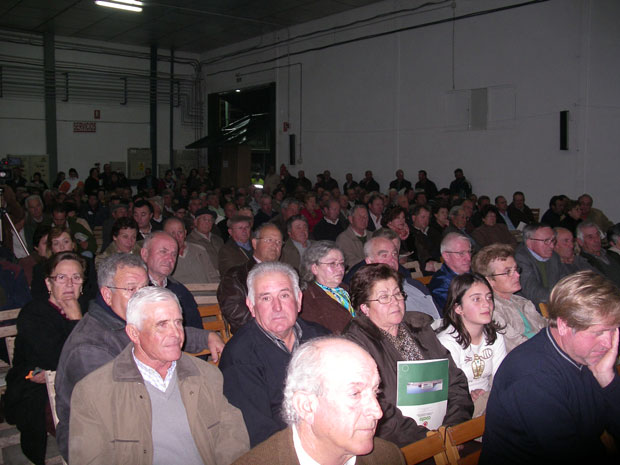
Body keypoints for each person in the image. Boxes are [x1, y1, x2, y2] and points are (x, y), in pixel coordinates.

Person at [54, 253, 223, 460]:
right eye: (131, 289)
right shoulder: (90, 347)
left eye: (145, 288)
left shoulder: (128, 320)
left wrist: (207, 337)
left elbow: (162, 335)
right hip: (106, 441)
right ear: (107, 295)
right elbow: (124, 416)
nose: (141, 297)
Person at [68, 286, 249, 465]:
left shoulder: (207, 376)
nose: (176, 334)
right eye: (162, 325)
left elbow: (232, 437)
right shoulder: (93, 392)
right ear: (134, 333)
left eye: (178, 322)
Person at [480, 271, 620, 465]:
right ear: (563, 325)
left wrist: (607, 379)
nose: (609, 342)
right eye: (599, 332)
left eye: (614, 329)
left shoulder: (588, 357)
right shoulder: (531, 376)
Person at [343, 264, 473, 447]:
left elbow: (456, 382)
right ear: (364, 307)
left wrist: (452, 429)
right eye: (384, 297)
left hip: (448, 434)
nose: (395, 302)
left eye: (397, 294)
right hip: (404, 445)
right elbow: (376, 410)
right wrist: (430, 441)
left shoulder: (421, 329)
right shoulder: (356, 346)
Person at [233, 337, 405, 465]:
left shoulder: (388, 457)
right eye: (355, 394)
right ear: (306, 406)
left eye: (375, 391)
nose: (377, 411)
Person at [219, 262, 330, 447]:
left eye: (284, 295)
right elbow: (259, 433)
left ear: (299, 300)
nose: (277, 307)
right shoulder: (239, 356)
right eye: (266, 298)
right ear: (251, 306)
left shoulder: (322, 339)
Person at [4, 252, 85, 465]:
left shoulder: (90, 311)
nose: (69, 284)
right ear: (48, 283)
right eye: (61, 277)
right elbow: (57, 359)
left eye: (76, 277)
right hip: (33, 386)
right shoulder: (34, 313)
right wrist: (75, 321)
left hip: (75, 385)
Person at [436, 273, 507, 417]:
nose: (487, 304)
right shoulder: (446, 343)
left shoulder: (495, 337)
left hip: (488, 400)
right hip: (459, 408)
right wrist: (468, 394)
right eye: (476, 299)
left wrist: (489, 394)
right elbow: (444, 392)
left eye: (488, 297)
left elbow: (502, 379)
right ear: (458, 308)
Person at [472, 244, 547, 352]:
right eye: (508, 272)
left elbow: (545, 326)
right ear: (489, 280)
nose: (517, 275)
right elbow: (517, 347)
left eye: (516, 269)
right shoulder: (490, 309)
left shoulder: (522, 301)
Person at [217, 223, 283, 333]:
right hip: (254, 335)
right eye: (269, 240)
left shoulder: (288, 275)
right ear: (255, 243)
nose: (274, 245)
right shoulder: (236, 276)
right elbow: (235, 313)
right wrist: (271, 326)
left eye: (279, 242)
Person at [300, 241, 353, 334]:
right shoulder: (307, 299)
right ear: (315, 268)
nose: (340, 269)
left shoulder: (347, 289)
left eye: (341, 263)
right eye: (332, 263)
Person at [514, 223, 569, 308]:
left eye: (553, 240)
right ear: (529, 242)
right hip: (531, 309)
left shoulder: (554, 256)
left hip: (554, 304)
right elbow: (534, 293)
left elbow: (565, 280)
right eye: (546, 241)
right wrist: (565, 296)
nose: (551, 246)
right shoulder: (519, 259)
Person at [164, 216, 219, 284]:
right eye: (172, 233)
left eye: (180, 232)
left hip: (206, 292)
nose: (176, 237)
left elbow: (213, 276)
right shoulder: (163, 256)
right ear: (165, 235)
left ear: (185, 233)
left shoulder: (199, 250)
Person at [429, 233, 472, 312]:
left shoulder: (474, 274)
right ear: (446, 256)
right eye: (461, 253)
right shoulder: (440, 285)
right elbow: (454, 314)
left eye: (469, 252)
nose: (468, 258)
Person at [577, 221, 620, 286]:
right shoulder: (583, 262)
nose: (596, 240)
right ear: (580, 242)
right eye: (590, 237)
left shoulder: (612, 254)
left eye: (597, 235)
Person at [410, 204, 442, 275]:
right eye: (423, 217)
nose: (426, 220)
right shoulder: (410, 234)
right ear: (414, 218)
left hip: (438, 264)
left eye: (428, 218)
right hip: (422, 268)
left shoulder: (433, 232)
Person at [336, 204, 370, 269]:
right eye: (360, 217)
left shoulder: (373, 236)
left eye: (366, 216)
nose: (363, 219)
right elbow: (349, 262)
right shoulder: (343, 239)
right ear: (351, 219)